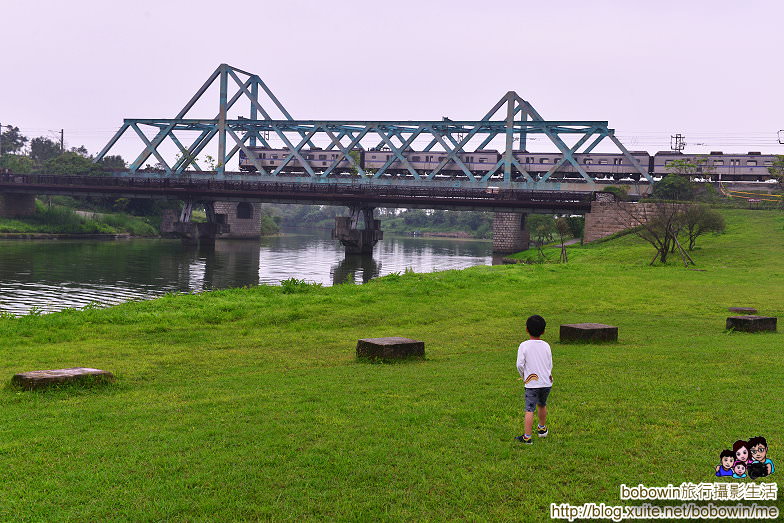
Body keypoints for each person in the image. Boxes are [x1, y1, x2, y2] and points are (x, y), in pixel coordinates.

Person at [515, 314, 553, 445]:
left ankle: (527, 437)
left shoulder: (524, 345)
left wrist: (524, 375)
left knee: (529, 409)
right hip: (546, 382)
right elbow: (549, 364)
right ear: (543, 331)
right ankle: (542, 429)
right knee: (542, 404)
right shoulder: (546, 345)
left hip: (532, 383)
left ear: (526, 329)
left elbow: (520, 364)